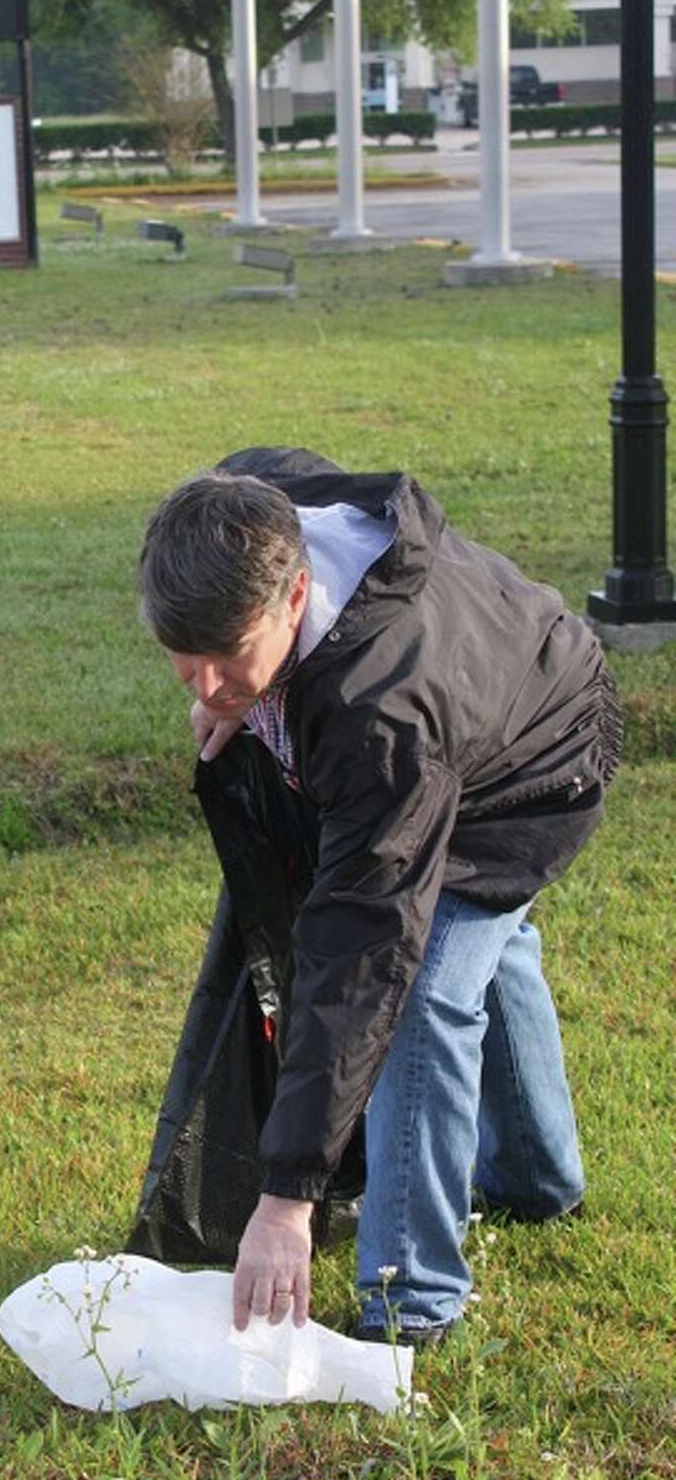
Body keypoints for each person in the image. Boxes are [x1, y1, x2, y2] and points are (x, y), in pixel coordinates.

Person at [137, 447, 620, 1346]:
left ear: (290, 600)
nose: (203, 689)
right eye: (183, 657)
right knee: (488, 952)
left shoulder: (379, 719)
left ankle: (412, 1301)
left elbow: (361, 957)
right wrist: (241, 685)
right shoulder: (247, 505)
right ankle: (536, 1179)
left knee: (425, 990)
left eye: (226, 658)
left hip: (536, 765)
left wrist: (285, 1201)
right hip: (474, 709)